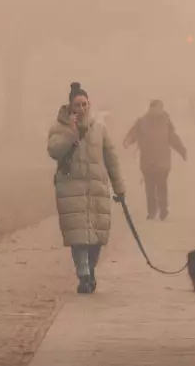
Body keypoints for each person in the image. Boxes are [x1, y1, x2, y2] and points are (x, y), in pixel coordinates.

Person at [47, 82, 126, 294]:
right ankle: (83, 274)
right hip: (71, 190)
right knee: (79, 238)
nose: (81, 109)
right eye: (77, 105)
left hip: (97, 189)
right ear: (70, 107)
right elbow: (54, 151)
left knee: (97, 239)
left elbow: (112, 160)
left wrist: (120, 188)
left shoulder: (100, 129)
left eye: (84, 104)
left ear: (89, 105)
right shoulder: (59, 128)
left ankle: (90, 269)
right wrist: (71, 133)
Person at [123, 99, 187, 220]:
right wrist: (127, 142)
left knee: (162, 185)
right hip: (147, 160)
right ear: (150, 108)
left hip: (163, 160)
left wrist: (182, 151)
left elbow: (173, 138)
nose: (157, 111)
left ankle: (163, 210)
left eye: (160, 108)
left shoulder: (166, 122)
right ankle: (152, 211)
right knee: (150, 187)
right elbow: (133, 134)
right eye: (155, 108)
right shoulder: (142, 122)